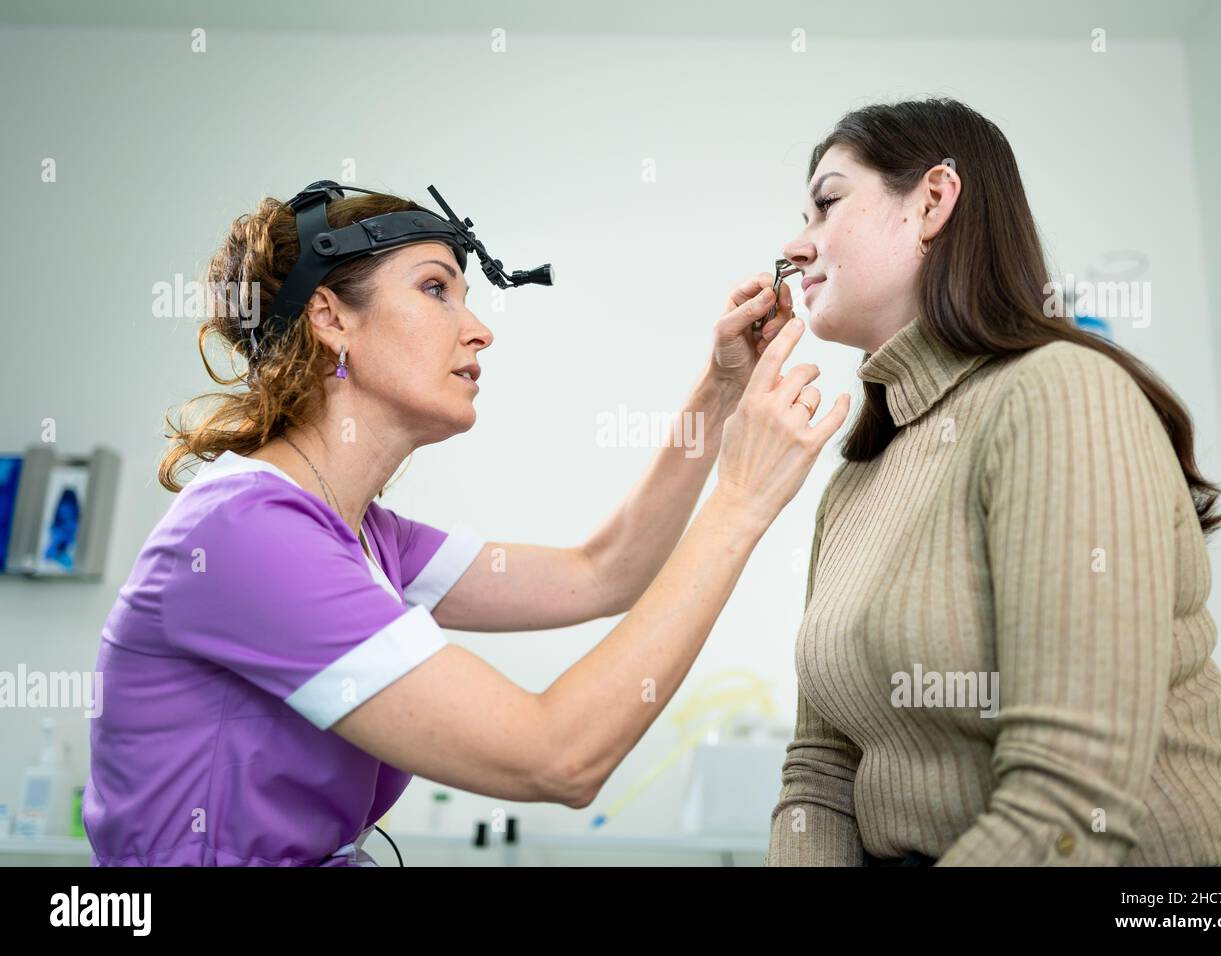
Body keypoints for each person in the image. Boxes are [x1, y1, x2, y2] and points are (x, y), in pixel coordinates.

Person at [83, 186, 850, 866]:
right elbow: (555, 758)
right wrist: (742, 502)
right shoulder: (246, 536)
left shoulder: (363, 536)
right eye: (436, 289)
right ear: (329, 318)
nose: (479, 329)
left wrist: (720, 389)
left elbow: (605, 571)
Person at [764, 98, 1221, 867]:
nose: (796, 246)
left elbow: (1071, 796)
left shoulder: (1062, 393)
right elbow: (822, 773)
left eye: (826, 203)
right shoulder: (855, 481)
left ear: (932, 200)